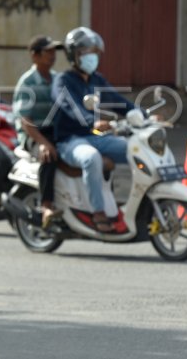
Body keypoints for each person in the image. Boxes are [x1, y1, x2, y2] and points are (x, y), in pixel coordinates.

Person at [52, 27, 136, 233]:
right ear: (73, 55)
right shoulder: (62, 80)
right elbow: (69, 105)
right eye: (86, 52)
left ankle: (139, 204)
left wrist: (142, 115)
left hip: (94, 136)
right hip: (69, 140)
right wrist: (92, 121)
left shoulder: (97, 80)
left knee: (134, 150)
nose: (92, 57)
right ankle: (98, 212)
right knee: (91, 158)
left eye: (95, 52)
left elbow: (117, 101)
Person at [13, 35, 64, 227]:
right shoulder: (27, 82)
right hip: (33, 135)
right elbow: (25, 121)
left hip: (54, 131)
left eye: (54, 51)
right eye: (47, 52)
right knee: (49, 155)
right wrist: (43, 143)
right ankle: (46, 206)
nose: (52, 55)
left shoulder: (58, 79)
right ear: (34, 56)